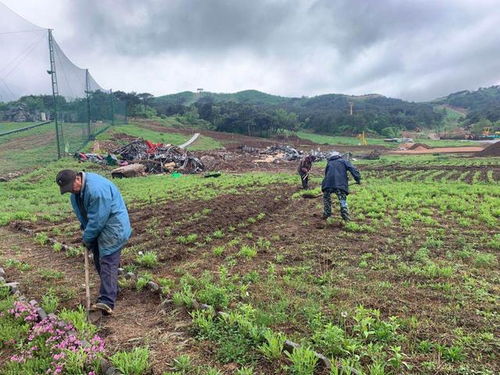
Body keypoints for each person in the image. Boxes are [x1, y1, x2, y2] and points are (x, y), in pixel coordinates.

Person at [56, 169, 132, 315]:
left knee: (107, 261)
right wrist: (85, 229)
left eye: (71, 187)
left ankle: (107, 301)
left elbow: (98, 220)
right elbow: (86, 214)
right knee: (98, 259)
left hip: (113, 226)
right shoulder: (77, 193)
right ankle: (113, 288)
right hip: (100, 228)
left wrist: (87, 237)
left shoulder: (96, 190)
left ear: (78, 179)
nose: (71, 191)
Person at [321, 152, 361, 221]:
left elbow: (326, 174)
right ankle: (345, 215)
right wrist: (357, 178)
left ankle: (327, 213)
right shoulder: (344, 161)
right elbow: (352, 169)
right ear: (339, 156)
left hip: (328, 184)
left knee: (326, 199)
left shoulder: (329, 163)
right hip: (340, 185)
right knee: (342, 199)